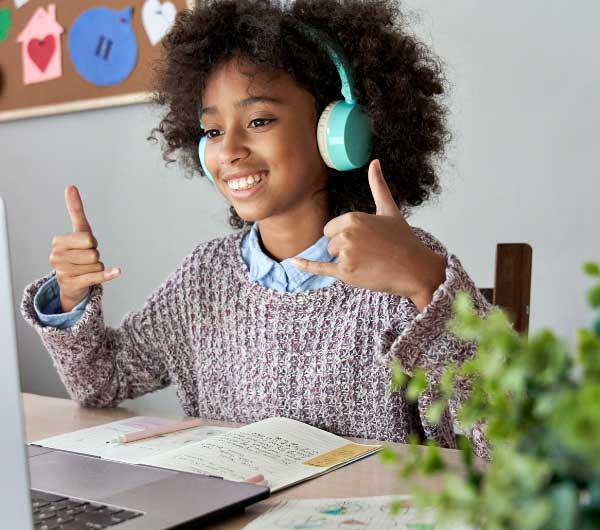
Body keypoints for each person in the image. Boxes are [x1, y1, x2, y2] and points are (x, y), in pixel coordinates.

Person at [21, 0, 491, 458]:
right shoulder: (204, 277)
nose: (229, 150)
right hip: (233, 528)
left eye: (259, 120)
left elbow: (503, 439)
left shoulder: (403, 267)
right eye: (212, 131)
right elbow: (100, 381)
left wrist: (427, 282)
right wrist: (69, 296)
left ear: (337, 132)